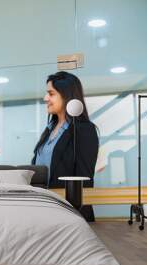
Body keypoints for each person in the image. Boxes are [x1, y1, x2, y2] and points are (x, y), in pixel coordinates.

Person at [31, 71, 99, 221]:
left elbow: (84, 180)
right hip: (43, 208)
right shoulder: (49, 130)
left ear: (67, 95)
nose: (45, 98)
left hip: (68, 213)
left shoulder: (84, 130)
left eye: (51, 93)